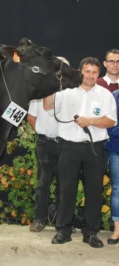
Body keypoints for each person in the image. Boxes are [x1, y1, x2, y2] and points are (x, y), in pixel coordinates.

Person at [43, 57, 117, 248]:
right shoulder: (66, 91)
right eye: (87, 71)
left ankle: (91, 233)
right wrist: (50, 84)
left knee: (94, 192)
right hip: (69, 147)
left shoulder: (104, 95)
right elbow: (47, 106)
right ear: (79, 71)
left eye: (94, 72)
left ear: (98, 73)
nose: (90, 75)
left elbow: (110, 121)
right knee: (66, 190)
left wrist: (90, 121)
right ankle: (63, 231)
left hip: (94, 148)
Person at [28, 57, 69, 232]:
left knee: (65, 184)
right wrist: (44, 133)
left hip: (67, 144)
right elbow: (31, 117)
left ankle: (63, 222)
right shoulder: (39, 91)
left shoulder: (72, 92)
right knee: (43, 183)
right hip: (45, 144)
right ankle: (39, 220)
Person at [106, 89, 119, 245]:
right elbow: (110, 124)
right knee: (117, 190)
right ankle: (117, 231)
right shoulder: (115, 96)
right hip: (117, 149)